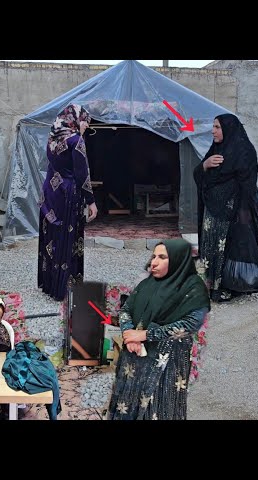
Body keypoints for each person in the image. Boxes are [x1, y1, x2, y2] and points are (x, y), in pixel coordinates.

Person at [107, 239, 210, 420]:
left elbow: (191, 323)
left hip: (168, 359)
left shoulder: (193, 288)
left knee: (159, 406)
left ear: (179, 260)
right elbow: (126, 310)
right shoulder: (147, 284)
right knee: (128, 402)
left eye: (162, 257)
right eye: (153, 256)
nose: (153, 262)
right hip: (134, 354)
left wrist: (145, 334)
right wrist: (129, 334)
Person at [193, 113, 258, 302]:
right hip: (212, 212)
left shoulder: (244, 151)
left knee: (228, 249)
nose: (213, 131)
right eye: (213, 127)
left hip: (232, 212)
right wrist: (204, 166)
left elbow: (247, 185)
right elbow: (199, 176)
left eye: (217, 127)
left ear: (228, 128)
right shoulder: (216, 149)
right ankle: (208, 287)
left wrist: (241, 213)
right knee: (209, 248)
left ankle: (228, 287)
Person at [38, 104, 98, 301]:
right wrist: (91, 201)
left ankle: (50, 284)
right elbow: (82, 174)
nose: (86, 126)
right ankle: (64, 288)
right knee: (67, 239)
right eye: (85, 122)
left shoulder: (51, 140)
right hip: (68, 195)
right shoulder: (76, 140)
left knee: (51, 237)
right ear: (76, 119)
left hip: (50, 193)